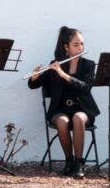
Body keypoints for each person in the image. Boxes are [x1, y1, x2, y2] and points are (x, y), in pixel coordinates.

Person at [28, 26, 99, 178]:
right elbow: (34, 85)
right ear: (66, 47)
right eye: (76, 44)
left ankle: (79, 163)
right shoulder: (56, 63)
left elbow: (85, 87)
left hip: (82, 109)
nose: (80, 48)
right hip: (60, 109)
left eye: (82, 44)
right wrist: (34, 77)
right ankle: (69, 162)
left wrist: (63, 74)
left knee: (78, 118)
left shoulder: (89, 65)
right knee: (61, 121)